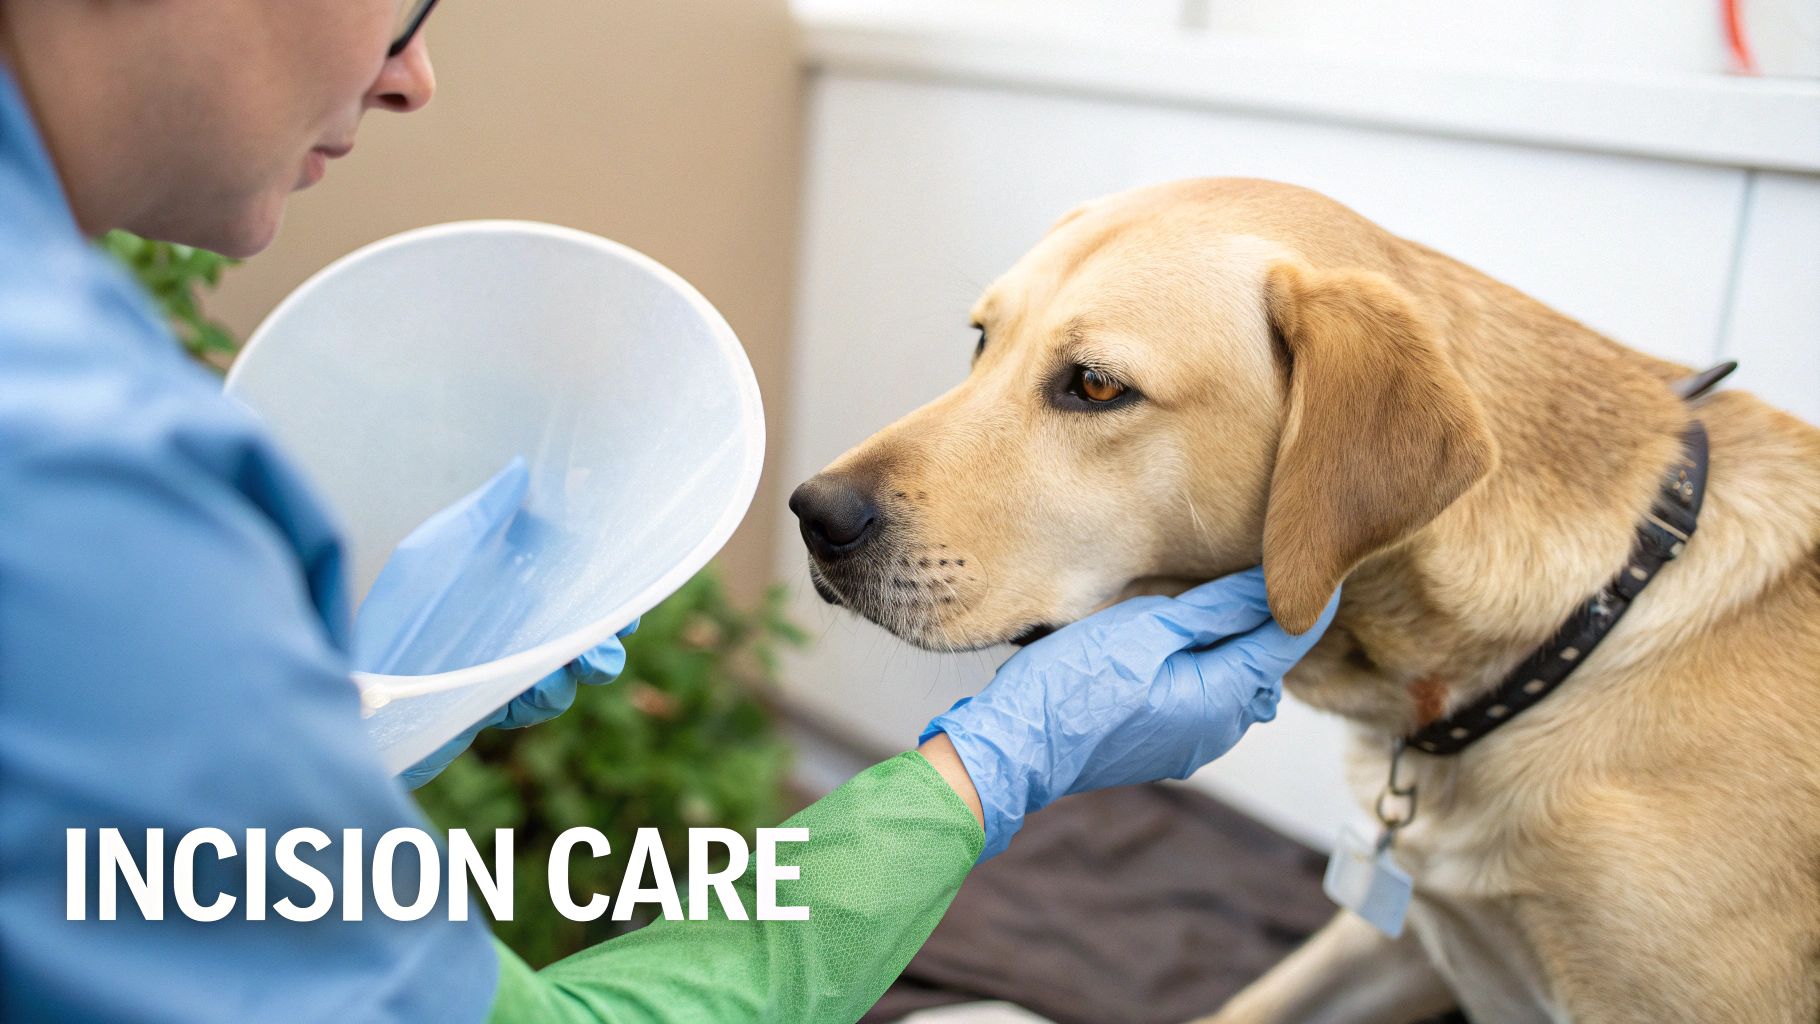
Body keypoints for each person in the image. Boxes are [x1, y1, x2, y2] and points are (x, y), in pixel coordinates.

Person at [0, 2, 1338, 1022]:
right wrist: (984, 770)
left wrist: (347, 725)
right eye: (405, 5)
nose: (413, 74)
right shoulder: (74, 475)